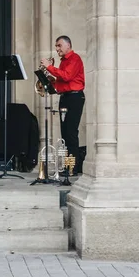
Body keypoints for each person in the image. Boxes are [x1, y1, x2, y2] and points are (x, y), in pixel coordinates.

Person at [40, 35, 85, 175]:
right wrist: (48, 79)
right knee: (65, 134)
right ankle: (67, 167)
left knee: (71, 133)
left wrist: (50, 67)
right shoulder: (63, 61)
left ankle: (72, 168)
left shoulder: (74, 58)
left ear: (68, 45)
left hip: (75, 97)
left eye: (59, 45)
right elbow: (62, 81)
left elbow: (67, 76)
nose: (57, 48)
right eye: (56, 46)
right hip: (65, 98)